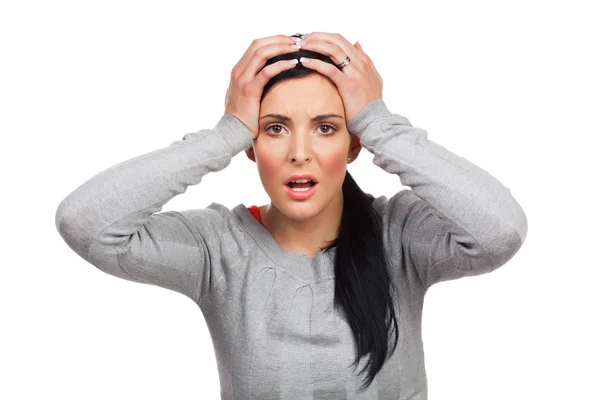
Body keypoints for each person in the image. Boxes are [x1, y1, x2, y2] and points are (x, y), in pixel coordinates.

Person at [54, 31, 528, 399]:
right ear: (251, 147)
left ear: (353, 143)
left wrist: (380, 122)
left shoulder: (400, 236)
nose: (300, 152)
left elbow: (500, 230)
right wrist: (224, 133)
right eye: (274, 128)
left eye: (326, 128)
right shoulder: (217, 249)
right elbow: (86, 223)